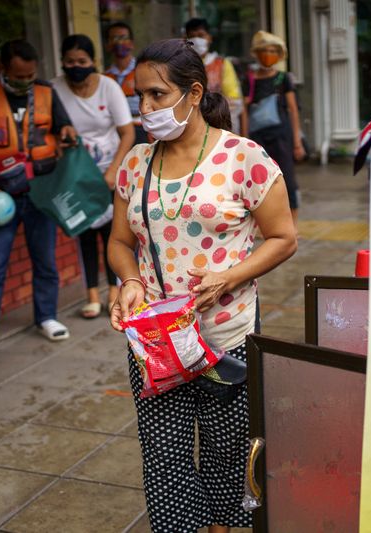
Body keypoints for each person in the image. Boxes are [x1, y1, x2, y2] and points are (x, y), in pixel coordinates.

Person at [108, 39, 297, 532]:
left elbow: (284, 237)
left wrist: (230, 276)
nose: (146, 108)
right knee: (165, 461)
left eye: (156, 95)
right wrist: (128, 281)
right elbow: (119, 243)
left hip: (225, 337)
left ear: (193, 94)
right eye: (139, 97)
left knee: (227, 454)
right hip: (155, 344)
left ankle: (221, 527)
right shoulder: (136, 163)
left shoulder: (244, 158)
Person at [0, 39, 77, 354]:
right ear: (3, 70)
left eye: (29, 75)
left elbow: (65, 128)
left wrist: (67, 133)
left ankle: (47, 317)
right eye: (17, 75)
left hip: (40, 190)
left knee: (46, 260)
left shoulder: (46, 92)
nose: (24, 81)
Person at [52, 34, 134, 318]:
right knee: (84, 232)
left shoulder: (109, 87)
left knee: (113, 233)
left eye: (82, 61)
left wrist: (113, 171)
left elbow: (127, 133)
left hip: (109, 172)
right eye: (70, 61)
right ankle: (91, 296)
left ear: (93, 62)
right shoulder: (54, 89)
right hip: (76, 175)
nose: (76, 66)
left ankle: (113, 291)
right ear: (62, 62)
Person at [244, 31, 306, 229]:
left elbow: (293, 109)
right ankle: (264, 225)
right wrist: (244, 140)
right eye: (264, 50)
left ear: (279, 54)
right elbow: (244, 111)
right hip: (257, 137)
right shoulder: (250, 79)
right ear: (257, 53)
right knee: (258, 181)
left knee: (287, 179)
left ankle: (292, 224)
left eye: (272, 51)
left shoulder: (283, 78)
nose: (268, 54)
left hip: (281, 136)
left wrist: (297, 142)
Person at [184, 17, 247, 136]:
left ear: (209, 38)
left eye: (201, 35)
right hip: (190, 130)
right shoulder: (181, 66)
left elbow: (234, 101)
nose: (197, 40)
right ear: (186, 40)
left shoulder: (222, 64)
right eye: (192, 36)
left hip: (220, 127)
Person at [104, 22, 147, 144]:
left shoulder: (144, 70)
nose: (119, 43)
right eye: (114, 38)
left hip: (142, 128)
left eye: (123, 38)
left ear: (132, 44)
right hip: (114, 131)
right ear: (108, 45)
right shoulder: (104, 78)